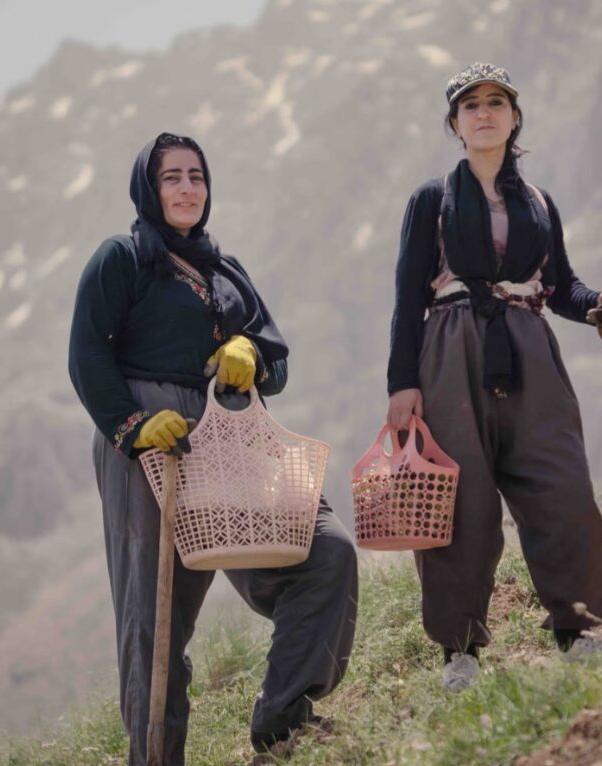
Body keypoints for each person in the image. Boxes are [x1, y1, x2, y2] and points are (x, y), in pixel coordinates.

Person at [68, 132, 357, 763]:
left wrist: (250, 352)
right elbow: (87, 354)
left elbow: (276, 364)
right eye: (170, 176)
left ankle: (283, 718)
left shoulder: (226, 271)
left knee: (324, 551)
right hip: (149, 441)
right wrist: (131, 426)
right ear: (149, 187)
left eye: (196, 175)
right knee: (154, 615)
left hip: (229, 436)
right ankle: (155, 756)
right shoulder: (121, 258)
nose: (186, 188)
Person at [386, 63, 602, 689]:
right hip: (449, 349)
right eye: (470, 106)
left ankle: (577, 626)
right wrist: (402, 385)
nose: (484, 113)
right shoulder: (430, 200)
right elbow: (405, 297)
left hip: (529, 346)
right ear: (455, 124)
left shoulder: (538, 204)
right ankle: (460, 651)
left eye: (496, 102)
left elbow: (559, 287)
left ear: (514, 117)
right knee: (461, 501)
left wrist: (601, 305)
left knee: (560, 481)